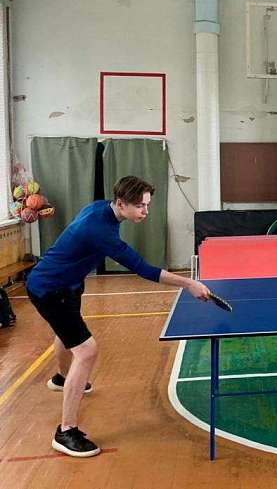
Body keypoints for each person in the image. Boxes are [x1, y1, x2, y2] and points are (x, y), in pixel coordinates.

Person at [27, 176, 210, 457]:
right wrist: (189, 284)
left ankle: (63, 379)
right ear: (121, 203)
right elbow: (144, 269)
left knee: (67, 335)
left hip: (69, 283)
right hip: (49, 290)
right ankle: (66, 431)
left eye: (147, 205)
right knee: (86, 351)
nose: (145, 212)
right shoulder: (100, 231)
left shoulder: (100, 208)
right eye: (140, 206)